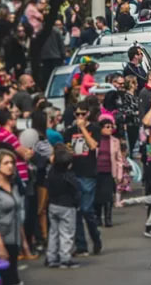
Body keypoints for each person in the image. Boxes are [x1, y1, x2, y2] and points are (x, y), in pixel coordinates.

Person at [63, 100, 102, 256]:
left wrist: (83, 129)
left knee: (86, 209)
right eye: (77, 114)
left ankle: (96, 238)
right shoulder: (68, 131)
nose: (79, 116)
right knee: (77, 211)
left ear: (87, 114)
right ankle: (81, 245)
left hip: (88, 173)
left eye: (82, 114)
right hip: (74, 173)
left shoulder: (94, 129)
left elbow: (93, 146)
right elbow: (67, 149)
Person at [45, 144, 81, 269]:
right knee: (67, 233)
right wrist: (77, 203)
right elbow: (76, 190)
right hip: (67, 206)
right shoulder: (69, 176)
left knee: (53, 232)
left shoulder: (51, 173)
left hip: (53, 204)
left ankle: (51, 257)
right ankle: (65, 258)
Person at [0, 149, 26, 285]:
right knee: (5, 279)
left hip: (14, 239)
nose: (10, 166)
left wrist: (24, 241)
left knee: (12, 276)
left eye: (12, 162)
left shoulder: (14, 186)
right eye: (6, 163)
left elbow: (18, 214)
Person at [94, 115, 123, 228]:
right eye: (107, 127)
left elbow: (119, 159)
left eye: (111, 127)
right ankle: (97, 217)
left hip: (109, 172)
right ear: (101, 128)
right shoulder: (96, 140)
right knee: (97, 197)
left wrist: (119, 174)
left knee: (108, 196)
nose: (110, 129)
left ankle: (108, 218)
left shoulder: (115, 141)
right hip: (97, 171)